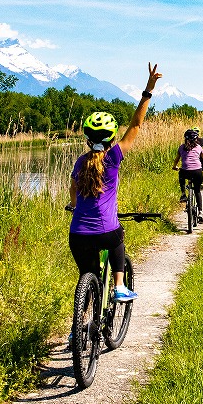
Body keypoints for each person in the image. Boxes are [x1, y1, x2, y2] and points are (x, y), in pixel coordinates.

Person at [67, 62, 162, 302]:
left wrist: (74, 205)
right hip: (105, 231)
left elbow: (73, 188)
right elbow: (136, 125)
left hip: (77, 234)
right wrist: (148, 90)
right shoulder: (113, 158)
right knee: (117, 236)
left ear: (87, 139)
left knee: (87, 276)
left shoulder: (80, 162)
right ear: (111, 138)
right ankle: (119, 285)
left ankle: (77, 328)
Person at [172, 128, 203, 223]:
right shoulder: (199, 147)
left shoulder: (181, 147)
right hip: (197, 171)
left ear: (185, 138)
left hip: (185, 171)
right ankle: (201, 213)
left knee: (181, 174)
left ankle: (183, 194)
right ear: (195, 139)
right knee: (197, 191)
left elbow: (177, 160)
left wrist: (174, 166)